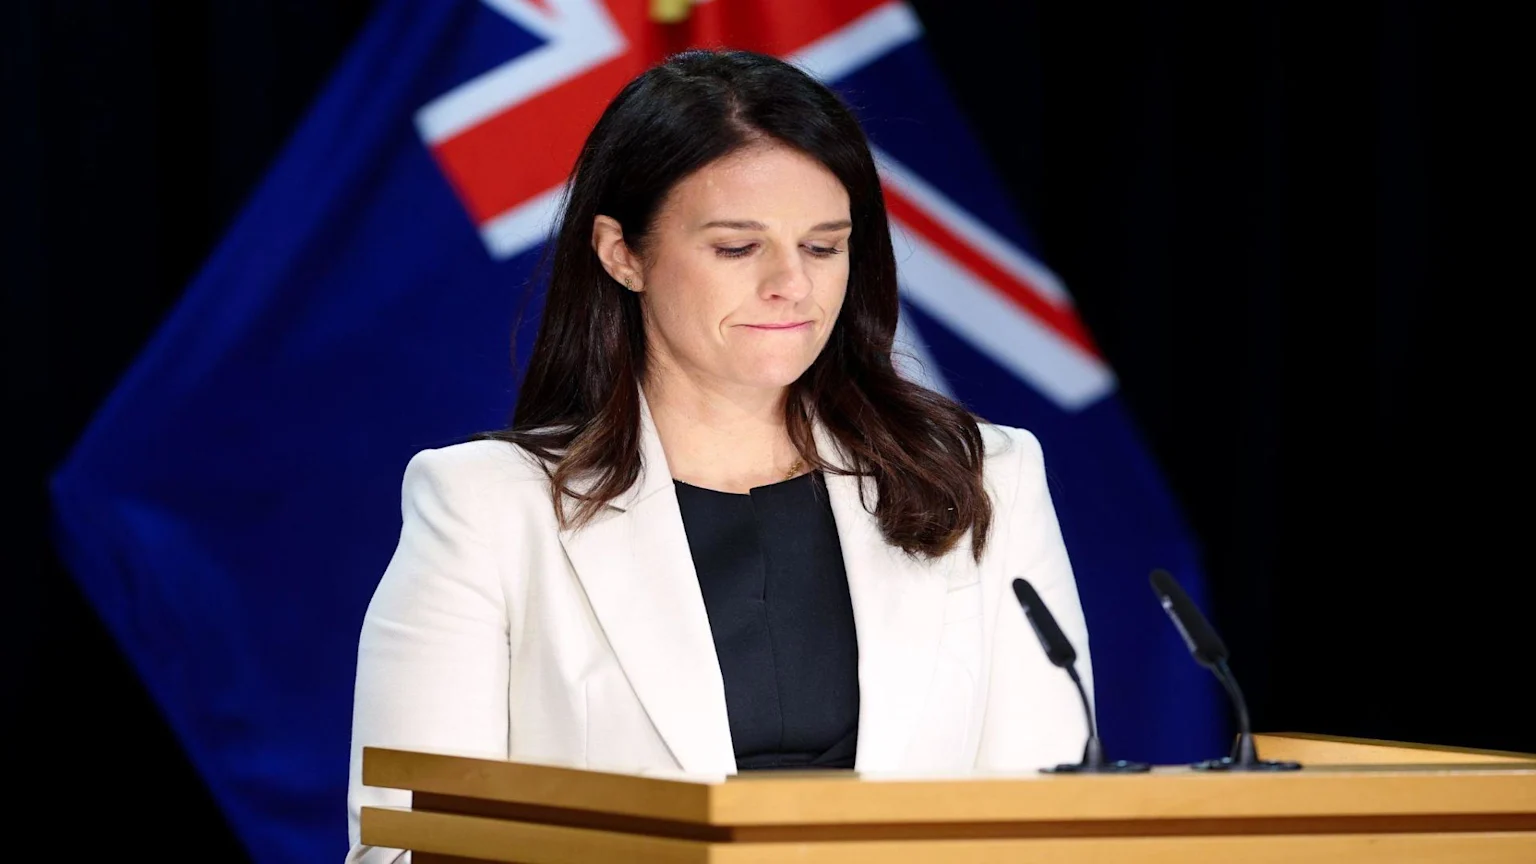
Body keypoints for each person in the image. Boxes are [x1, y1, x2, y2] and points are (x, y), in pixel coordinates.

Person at [346, 48, 1092, 862]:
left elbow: (1046, 826)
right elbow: (403, 847)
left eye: (823, 247)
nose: (791, 285)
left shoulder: (982, 477)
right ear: (621, 252)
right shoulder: (487, 505)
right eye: (738, 248)